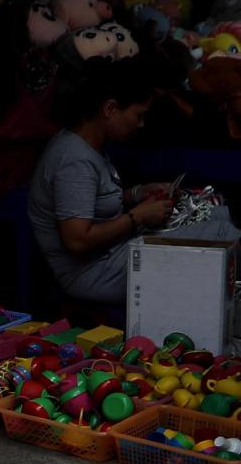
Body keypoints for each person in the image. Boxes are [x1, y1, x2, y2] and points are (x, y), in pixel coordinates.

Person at [29, 58, 172, 318]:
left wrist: (138, 193)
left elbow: (94, 202)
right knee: (199, 254)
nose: (141, 124)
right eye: (138, 115)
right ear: (110, 108)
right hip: (92, 274)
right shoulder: (74, 161)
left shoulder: (90, 146)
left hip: (110, 256)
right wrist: (138, 216)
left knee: (207, 226)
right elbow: (77, 240)